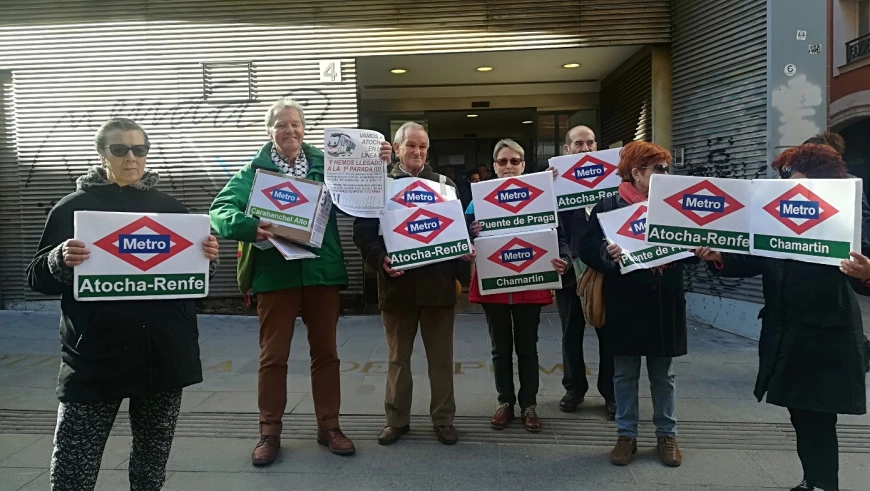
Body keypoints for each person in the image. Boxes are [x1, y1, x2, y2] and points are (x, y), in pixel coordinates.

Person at [26, 118, 220, 491]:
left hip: (164, 354)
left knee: (151, 467)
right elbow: (36, 277)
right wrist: (59, 259)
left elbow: (194, 283)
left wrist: (208, 258)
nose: (131, 158)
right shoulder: (73, 208)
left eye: (139, 149)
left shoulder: (172, 210)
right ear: (102, 155)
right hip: (96, 356)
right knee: (73, 468)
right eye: (119, 149)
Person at [210, 97, 389, 465]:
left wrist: (380, 162)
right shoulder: (253, 172)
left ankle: (330, 427)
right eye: (280, 125)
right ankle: (269, 432)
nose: (289, 130)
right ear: (269, 130)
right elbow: (219, 211)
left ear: (304, 128)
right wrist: (249, 227)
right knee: (272, 357)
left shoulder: (329, 164)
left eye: (295, 124)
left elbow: (366, 194)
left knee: (326, 353)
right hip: (275, 275)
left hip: (321, 271)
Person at [695, 143, 869, 491]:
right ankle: (812, 479)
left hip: (825, 334)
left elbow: (862, 265)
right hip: (785, 330)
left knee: (819, 415)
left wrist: (865, 272)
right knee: (799, 412)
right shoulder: (775, 212)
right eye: (783, 175)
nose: (786, 181)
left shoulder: (847, 207)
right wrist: (720, 257)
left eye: (792, 174)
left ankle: (823, 484)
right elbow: (757, 259)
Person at [353, 122, 475, 446]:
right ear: (396, 148)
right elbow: (362, 233)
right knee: (397, 358)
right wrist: (381, 260)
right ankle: (396, 420)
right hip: (398, 287)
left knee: (441, 358)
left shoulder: (446, 185)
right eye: (411, 146)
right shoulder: (380, 184)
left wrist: (463, 256)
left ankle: (444, 419)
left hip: (438, 287)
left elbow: (459, 229)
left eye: (422, 146)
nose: (417, 152)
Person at [578, 141, 688, 468]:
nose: (665, 174)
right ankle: (626, 436)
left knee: (662, 375)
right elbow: (587, 248)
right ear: (637, 172)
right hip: (625, 302)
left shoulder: (673, 206)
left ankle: (666, 435)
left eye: (666, 168)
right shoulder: (608, 206)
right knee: (624, 375)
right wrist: (605, 255)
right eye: (658, 169)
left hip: (663, 302)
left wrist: (698, 248)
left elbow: (688, 253)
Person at [466, 139, 567, 432]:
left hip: (529, 282)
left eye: (515, 161)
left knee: (527, 348)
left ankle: (529, 405)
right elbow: (463, 238)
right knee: (500, 348)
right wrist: (471, 232)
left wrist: (562, 259)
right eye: (502, 161)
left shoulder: (541, 196)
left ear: (523, 165)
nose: (509, 166)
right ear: (493, 166)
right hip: (494, 281)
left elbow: (555, 231)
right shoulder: (476, 201)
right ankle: (505, 402)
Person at [556, 125, 616, 419]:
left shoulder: (614, 180)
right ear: (567, 150)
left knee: (609, 333)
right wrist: (550, 186)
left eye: (590, 142)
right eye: (578, 143)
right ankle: (574, 388)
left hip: (606, 268)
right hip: (569, 269)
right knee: (571, 333)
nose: (585, 148)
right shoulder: (555, 184)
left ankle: (611, 393)